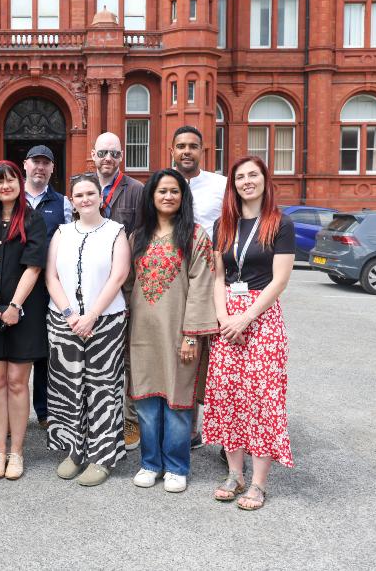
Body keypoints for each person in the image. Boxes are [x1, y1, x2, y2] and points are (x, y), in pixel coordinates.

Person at [204, 155, 296, 511]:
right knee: (228, 395)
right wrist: (224, 317)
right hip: (227, 317)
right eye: (240, 176)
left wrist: (245, 319)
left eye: (252, 175)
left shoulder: (279, 223)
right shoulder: (222, 224)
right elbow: (217, 277)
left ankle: (257, 483)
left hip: (262, 317)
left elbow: (281, 279)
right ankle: (234, 473)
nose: (246, 181)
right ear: (233, 185)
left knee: (261, 398)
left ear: (264, 180)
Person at [124, 169, 218, 494]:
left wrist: (192, 333)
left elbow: (202, 286)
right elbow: (125, 285)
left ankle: (177, 466)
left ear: (183, 197)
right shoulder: (138, 237)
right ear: (151, 196)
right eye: (161, 191)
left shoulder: (195, 235)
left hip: (180, 333)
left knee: (178, 401)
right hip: (142, 335)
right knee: (147, 401)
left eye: (174, 191)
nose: (167, 196)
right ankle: (150, 463)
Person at [44, 173, 130, 487]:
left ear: (100, 196)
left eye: (90, 193)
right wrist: (70, 315)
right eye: (78, 195)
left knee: (103, 389)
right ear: (72, 200)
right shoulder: (62, 232)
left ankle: (103, 456)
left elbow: (118, 276)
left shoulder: (115, 231)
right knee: (68, 388)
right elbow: (51, 277)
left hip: (105, 321)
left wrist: (91, 314)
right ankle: (74, 450)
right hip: (64, 322)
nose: (85, 199)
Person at [0, 160, 49, 480]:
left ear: (20, 184)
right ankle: (0, 451)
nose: (5, 186)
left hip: (23, 314)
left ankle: (16, 452)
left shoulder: (33, 220)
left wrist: (15, 306)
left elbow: (34, 266)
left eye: (11, 181)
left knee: (18, 382)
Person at [171, 124, 228, 450]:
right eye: (181, 146)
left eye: (193, 145)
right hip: (177, 281)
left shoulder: (220, 186)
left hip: (214, 278)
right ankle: (190, 430)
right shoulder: (167, 185)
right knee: (186, 358)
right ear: (173, 151)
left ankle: (226, 437)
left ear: (202, 150)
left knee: (218, 360)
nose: (187, 151)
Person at [91, 131, 144, 451]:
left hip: (126, 287)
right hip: (90, 287)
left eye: (114, 153)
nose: (107, 159)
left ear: (121, 157)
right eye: (102, 153)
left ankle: (129, 419)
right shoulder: (82, 186)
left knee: (127, 356)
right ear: (93, 155)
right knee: (96, 357)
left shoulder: (136, 190)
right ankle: (98, 417)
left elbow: (143, 236)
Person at [23, 144, 72, 431]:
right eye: (35, 162)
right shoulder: (12, 196)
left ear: (52, 168)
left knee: (45, 352)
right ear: (25, 165)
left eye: (46, 163)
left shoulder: (62, 202)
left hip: (48, 287)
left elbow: (66, 242)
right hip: (14, 284)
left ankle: (43, 410)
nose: (40, 167)